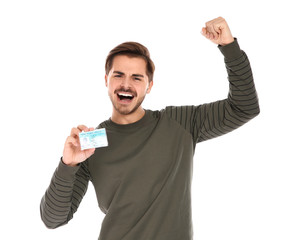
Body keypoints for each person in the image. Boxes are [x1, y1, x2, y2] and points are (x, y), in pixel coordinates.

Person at [40, 17, 260, 239]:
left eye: (137, 78)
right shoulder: (92, 143)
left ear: (149, 86)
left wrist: (229, 47)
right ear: (106, 80)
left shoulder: (179, 123)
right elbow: (53, 219)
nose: (126, 84)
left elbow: (244, 107)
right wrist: (68, 164)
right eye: (118, 75)